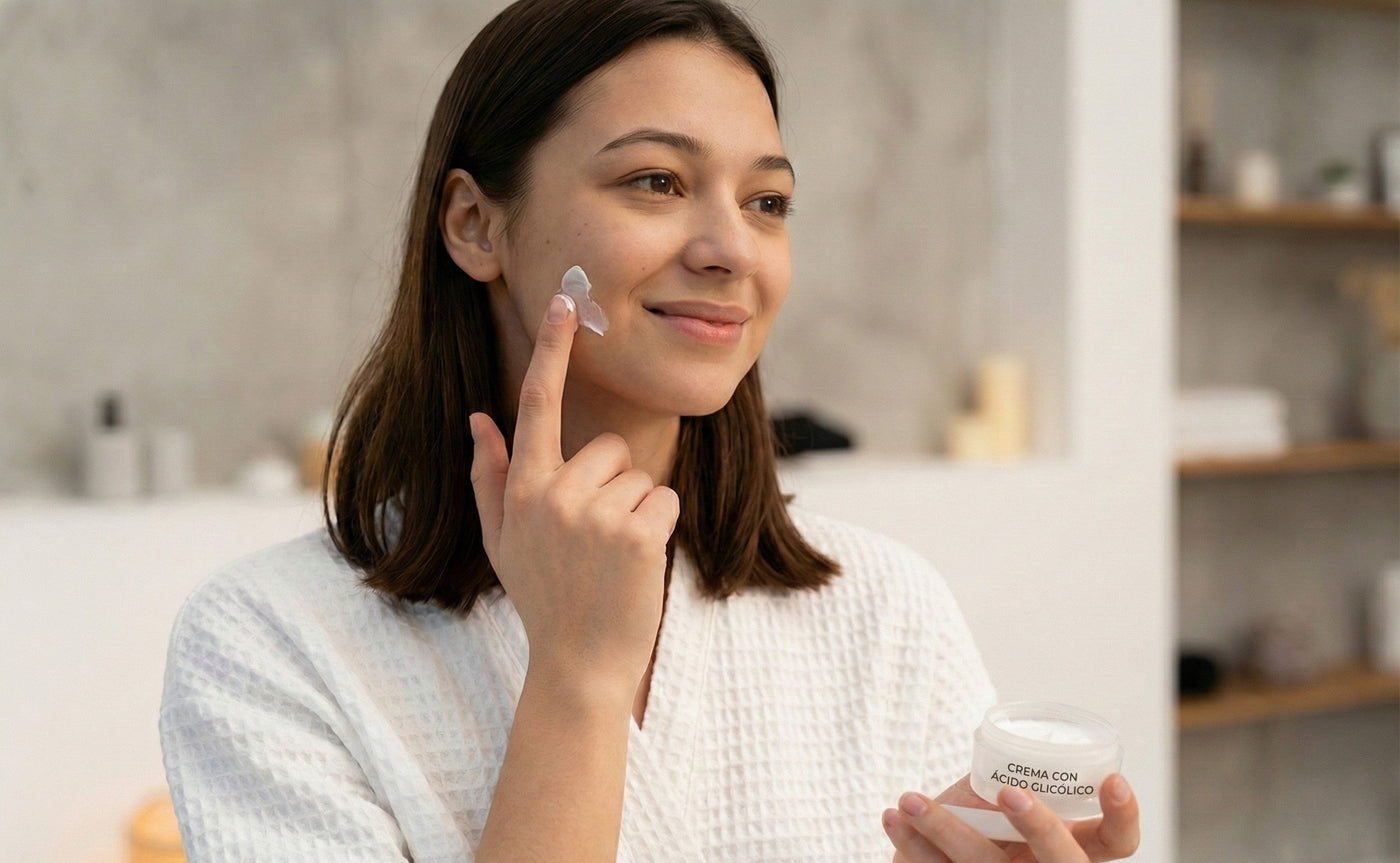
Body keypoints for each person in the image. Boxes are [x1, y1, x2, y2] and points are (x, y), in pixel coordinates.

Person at [158, 1, 1141, 861]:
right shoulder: (269, 643)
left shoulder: (887, 613)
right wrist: (576, 685)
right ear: (473, 224)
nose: (728, 251)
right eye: (656, 182)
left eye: (766, 202)